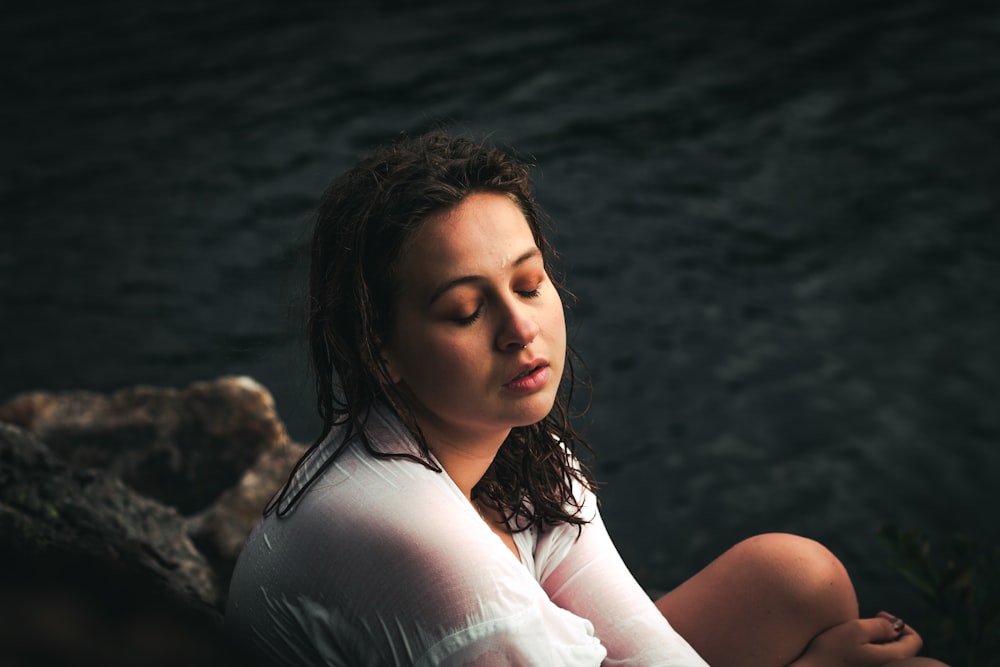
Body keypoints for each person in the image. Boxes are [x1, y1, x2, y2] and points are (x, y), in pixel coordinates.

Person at [225, 130, 948, 667]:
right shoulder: (428, 553)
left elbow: (650, 651)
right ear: (378, 347)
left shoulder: (502, 450)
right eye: (465, 310)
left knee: (794, 578)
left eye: (528, 282)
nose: (519, 328)